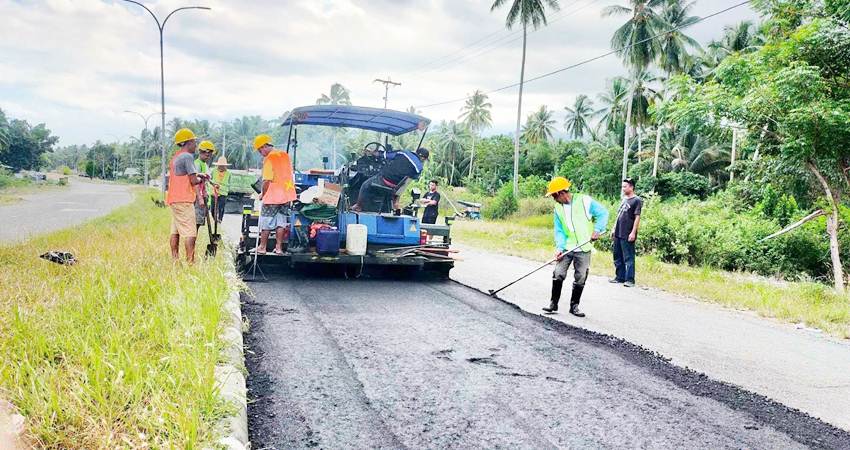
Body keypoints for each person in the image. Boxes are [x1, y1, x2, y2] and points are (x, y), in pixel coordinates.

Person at [543, 177, 609, 317]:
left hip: (584, 247)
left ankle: (574, 306)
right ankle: (553, 303)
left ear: (561, 193)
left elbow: (603, 213)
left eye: (554, 195)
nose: (554, 199)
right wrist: (559, 248)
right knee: (558, 273)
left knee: (581, 277)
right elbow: (559, 231)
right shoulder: (557, 208)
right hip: (567, 247)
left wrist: (597, 230)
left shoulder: (584, 201)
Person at [166, 128, 207, 264]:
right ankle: (190, 262)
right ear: (188, 142)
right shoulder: (187, 157)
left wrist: (198, 175)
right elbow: (193, 180)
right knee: (190, 232)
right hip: (184, 199)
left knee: (175, 231)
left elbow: (184, 175)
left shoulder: (176, 157)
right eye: (194, 142)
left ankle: (175, 260)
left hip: (174, 198)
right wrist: (201, 179)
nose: (196, 145)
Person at [254, 134, 296, 255]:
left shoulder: (269, 158)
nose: (260, 152)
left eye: (259, 150)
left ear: (264, 146)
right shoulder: (285, 155)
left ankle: (262, 247)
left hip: (273, 196)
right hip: (286, 195)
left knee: (266, 221)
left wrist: (263, 193)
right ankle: (278, 248)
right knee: (281, 222)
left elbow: (267, 180)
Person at [355, 147, 430, 213]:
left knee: (365, 185)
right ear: (422, 158)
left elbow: (384, 155)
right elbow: (408, 181)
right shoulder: (419, 168)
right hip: (396, 187)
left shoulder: (402, 152)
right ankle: (395, 203)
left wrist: (372, 152)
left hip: (383, 179)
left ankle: (358, 206)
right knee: (404, 184)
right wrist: (397, 195)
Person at [610, 178, 642, 287]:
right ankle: (620, 277)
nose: (623, 188)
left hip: (627, 233)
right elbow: (619, 215)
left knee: (628, 257)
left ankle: (630, 279)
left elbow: (637, 217)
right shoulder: (624, 199)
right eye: (622, 186)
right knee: (617, 255)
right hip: (618, 232)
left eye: (625, 186)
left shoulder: (637, 200)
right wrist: (614, 228)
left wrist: (633, 232)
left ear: (631, 187)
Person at [194, 140, 216, 231]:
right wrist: (200, 198)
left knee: (200, 222)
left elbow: (206, 178)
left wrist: (213, 183)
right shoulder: (197, 164)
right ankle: (192, 243)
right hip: (198, 197)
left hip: (203, 195)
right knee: (196, 222)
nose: (208, 156)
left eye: (210, 154)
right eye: (207, 154)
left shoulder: (204, 164)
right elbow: (195, 182)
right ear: (201, 152)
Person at [210, 156, 232, 223]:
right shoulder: (213, 171)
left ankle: (220, 220)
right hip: (214, 192)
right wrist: (214, 185)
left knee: (221, 208)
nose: (221, 167)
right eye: (220, 165)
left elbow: (229, 184)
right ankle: (215, 219)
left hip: (223, 194)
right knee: (212, 209)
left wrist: (221, 187)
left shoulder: (229, 173)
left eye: (223, 166)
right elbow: (209, 180)